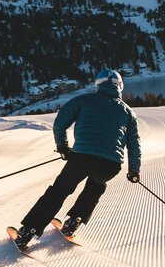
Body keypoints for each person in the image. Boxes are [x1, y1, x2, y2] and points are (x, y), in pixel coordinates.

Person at [13, 68, 142, 248]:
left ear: (98, 84)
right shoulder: (128, 113)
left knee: (60, 190)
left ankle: (29, 230)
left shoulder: (82, 100)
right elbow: (134, 144)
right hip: (110, 165)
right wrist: (134, 170)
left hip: (81, 157)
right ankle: (74, 221)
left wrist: (63, 147)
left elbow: (59, 124)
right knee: (96, 187)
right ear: (119, 86)